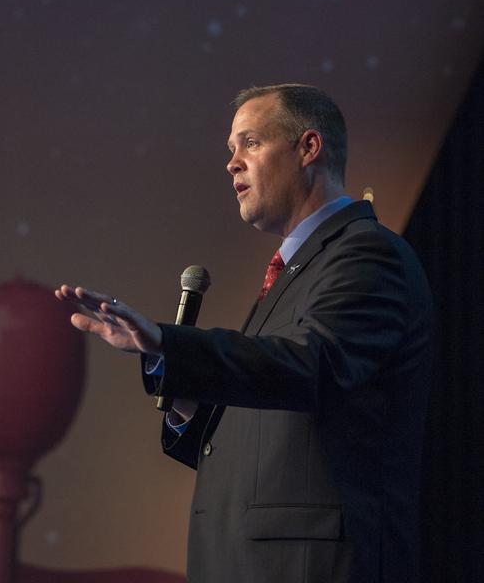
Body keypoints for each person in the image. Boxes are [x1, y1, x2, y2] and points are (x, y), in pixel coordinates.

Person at [56, 83, 433, 583]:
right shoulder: (296, 270)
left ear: (308, 148)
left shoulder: (367, 255)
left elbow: (310, 366)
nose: (233, 163)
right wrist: (187, 394)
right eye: (231, 150)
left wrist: (171, 343)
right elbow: (265, 418)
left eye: (250, 143)